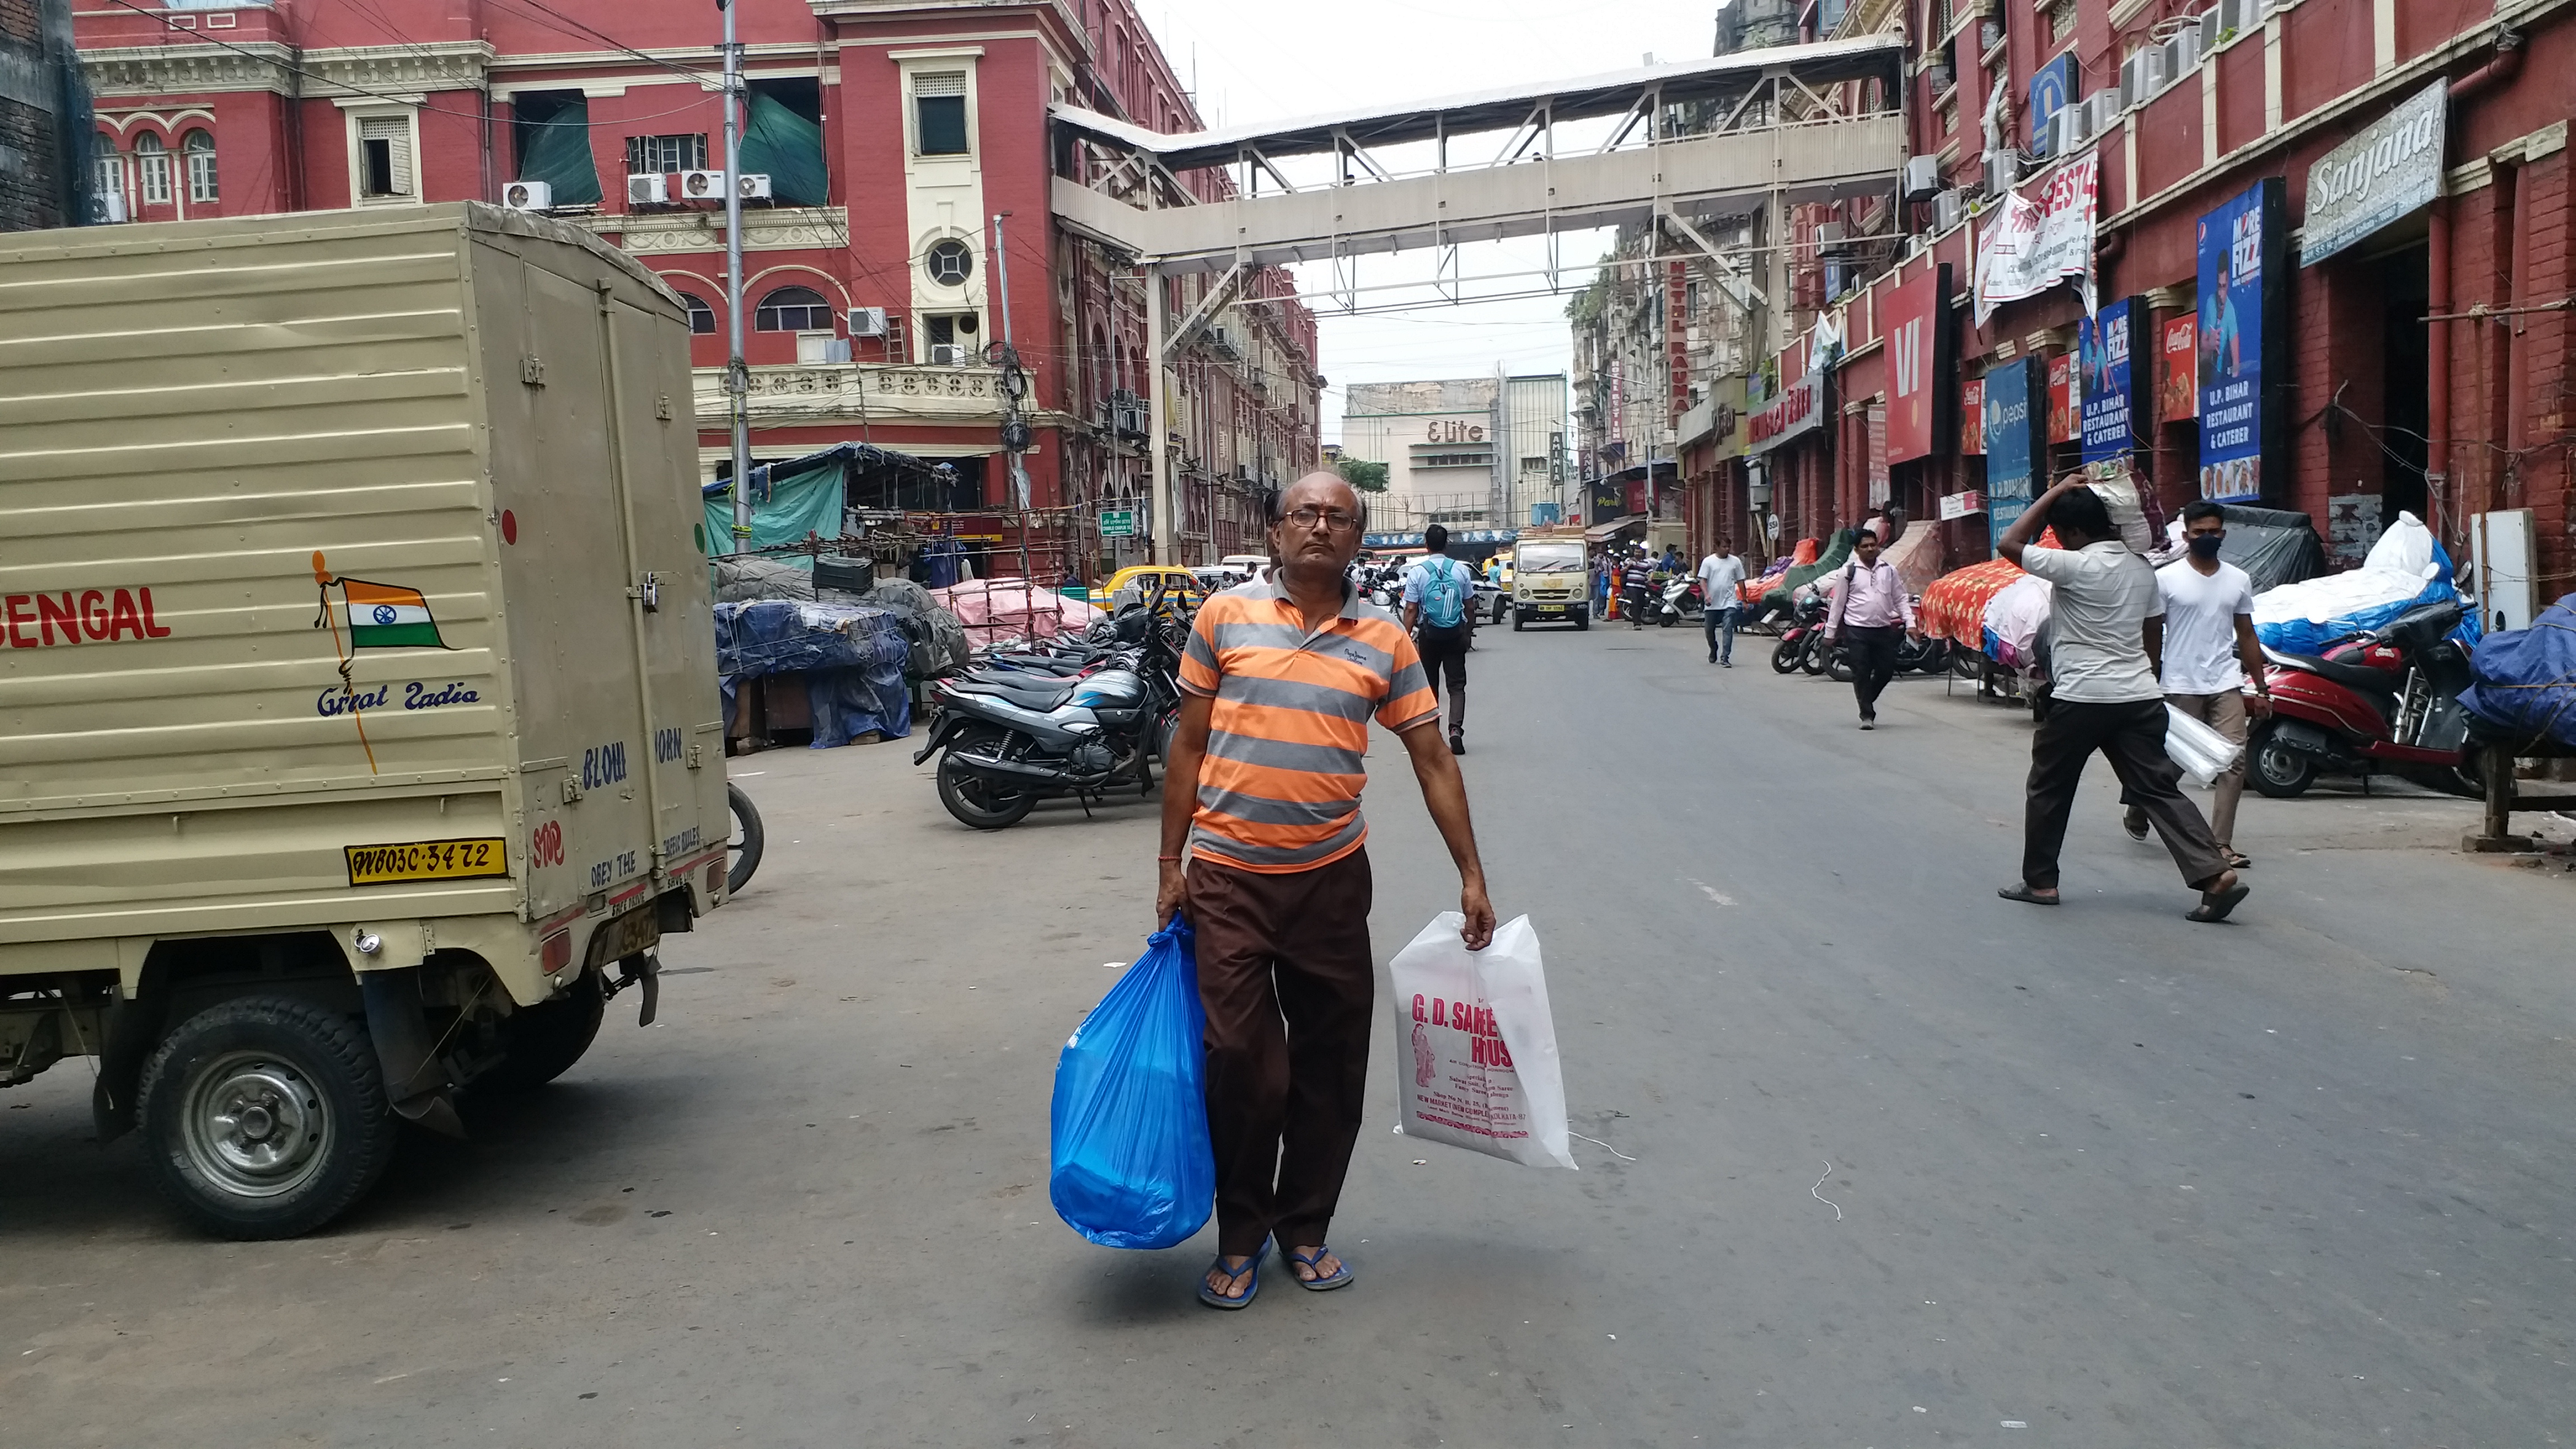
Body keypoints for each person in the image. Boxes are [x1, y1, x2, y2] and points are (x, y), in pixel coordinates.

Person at [1158, 473, 1496, 1309]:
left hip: (1332, 883)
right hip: (1230, 878)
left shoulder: (1384, 639)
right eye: (1304, 514)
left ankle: (1303, 1228)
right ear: (1275, 532)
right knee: (1243, 1065)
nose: (1319, 527)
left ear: (1359, 538)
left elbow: (1431, 757)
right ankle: (1239, 1235)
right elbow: (1188, 747)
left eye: (1338, 517)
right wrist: (1171, 864)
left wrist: (1471, 875)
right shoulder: (1222, 617)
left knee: (1331, 1064)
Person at [1995, 478, 2248, 922]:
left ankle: (2041, 882)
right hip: (2138, 697)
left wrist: (2054, 493)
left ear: (2072, 533)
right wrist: (2146, 682)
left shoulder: (2071, 565)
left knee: (2050, 788)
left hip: (2080, 698)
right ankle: (2213, 873)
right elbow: (2153, 635)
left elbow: (2010, 542)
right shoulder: (2141, 569)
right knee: (2156, 789)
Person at [2123, 501, 2270, 868]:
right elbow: (2152, 631)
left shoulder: (2238, 579)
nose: (2207, 538)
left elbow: (2247, 634)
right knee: (2173, 763)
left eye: (2213, 531)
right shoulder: (2166, 580)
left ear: (2223, 533)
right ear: (2185, 535)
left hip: (2225, 681)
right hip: (2179, 682)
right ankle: (2141, 805)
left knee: (2233, 760)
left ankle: (2220, 844)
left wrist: (2262, 686)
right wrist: (2148, 675)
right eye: (2199, 532)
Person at [1822, 528, 1915, 728]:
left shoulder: (1889, 571)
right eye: (1865, 546)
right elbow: (1838, 604)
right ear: (1857, 550)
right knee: (1861, 671)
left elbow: (1900, 598)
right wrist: (1830, 633)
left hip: (1883, 629)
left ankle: (1867, 699)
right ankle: (1867, 714)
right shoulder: (1848, 572)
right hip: (1856, 630)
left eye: (1873, 545)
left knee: (1886, 670)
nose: (1870, 549)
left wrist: (1911, 623)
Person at [1403, 523, 1476, 755]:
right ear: (1446, 544)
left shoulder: (1418, 572)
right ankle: (1455, 729)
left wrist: (1405, 637)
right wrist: (1467, 634)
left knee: (1430, 686)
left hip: (1430, 635)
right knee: (1456, 686)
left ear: (1426, 545)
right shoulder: (1461, 570)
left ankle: (1433, 734)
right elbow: (1470, 606)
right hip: (1455, 634)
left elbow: (1412, 610)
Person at [1695, 536, 1747, 666]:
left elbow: (1741, 581)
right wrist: (1706, 595)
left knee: (1728, 628)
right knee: (1709, 630)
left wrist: (1745, 600)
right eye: (1724, 547)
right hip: (1712, 603)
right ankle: (1713, 648)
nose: (1727, 549)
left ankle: (1725, 657)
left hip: (1729, 601)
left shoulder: (1735, 562)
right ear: (1717, 547)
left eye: (1729, 547)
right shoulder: (1708, 562)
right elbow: (1703, 580)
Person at [1621, 548, 1656, 629]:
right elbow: (1622, 572)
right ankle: (1637, 624)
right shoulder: (1628, 561)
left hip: (1641, 587)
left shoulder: (1646, 563)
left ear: (1642, 553)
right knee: (1635, 603)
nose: (1637, 553)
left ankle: (1637, 619)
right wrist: (1629, 566)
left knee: (1641, 604)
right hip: (1631, 586)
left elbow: (1651, 572)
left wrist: (1650, 579)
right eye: (1636, 552)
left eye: (1639, 552)